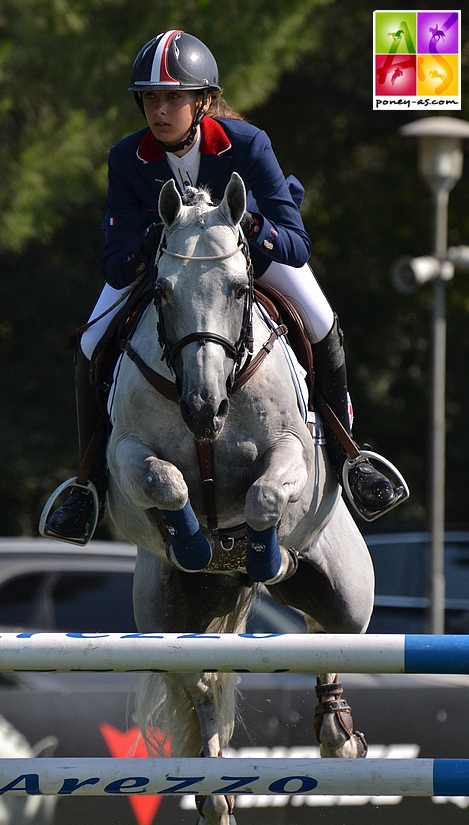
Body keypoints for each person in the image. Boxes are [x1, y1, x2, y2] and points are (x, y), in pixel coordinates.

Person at [44, 30, 404, 543]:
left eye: (173, 97)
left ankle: (351, 455)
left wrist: (250, 228)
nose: (159, 110)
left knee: (322, 324)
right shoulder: (127, 158)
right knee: (87, 344)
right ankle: (90, 485)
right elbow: (116, 265)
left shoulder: (248, 144)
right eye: (150, 97)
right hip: (170, 267)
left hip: (246, 259)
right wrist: (150, 239)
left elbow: (296, 244)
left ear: (204, 102)